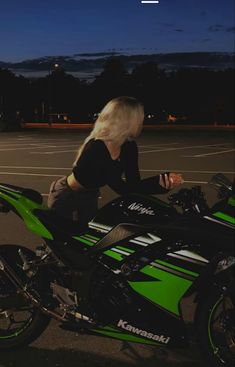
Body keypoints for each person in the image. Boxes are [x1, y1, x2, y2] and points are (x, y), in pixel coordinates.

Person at [48, 96, 183, 228]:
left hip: (89, 195)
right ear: (127, 121)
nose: (142, 122)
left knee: (86, 239)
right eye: (140, 118)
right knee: (61, 241)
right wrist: (158, 181)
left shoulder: (129, 146)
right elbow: (122, 189)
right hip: (66, 195)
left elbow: (133, 184)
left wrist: (162, 183)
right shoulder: (96, 147)